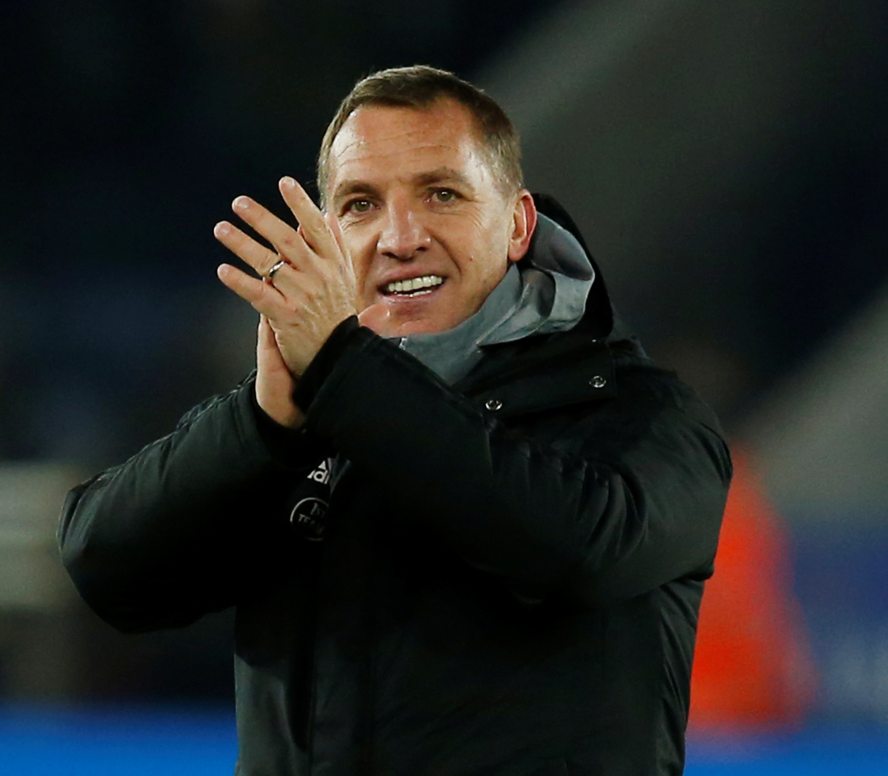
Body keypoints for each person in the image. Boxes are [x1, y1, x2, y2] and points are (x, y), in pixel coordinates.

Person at [59, 65, 731, 775]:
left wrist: (346, 377)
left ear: (516, 224)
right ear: (325, 240)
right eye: (360, 205)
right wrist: (263, 423)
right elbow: (107, 572)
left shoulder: (640, 411)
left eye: (441, 194)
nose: (400, 236)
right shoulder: (295, 425)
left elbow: (576, 549)